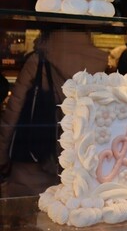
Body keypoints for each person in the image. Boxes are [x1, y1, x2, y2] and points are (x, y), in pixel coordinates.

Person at [0, 27, 108, 197]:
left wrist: (2, 155)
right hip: (78, 159)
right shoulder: (97, 63)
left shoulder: (38, 60)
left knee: (30, 208)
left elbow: (13, 110)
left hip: (34, 156)